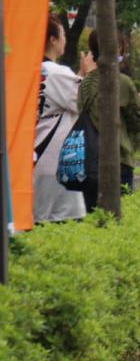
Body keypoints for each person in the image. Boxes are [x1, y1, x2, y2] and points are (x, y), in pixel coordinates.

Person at [78, 29, 140, 208]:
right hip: (119, 158)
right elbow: (139, 124)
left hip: (89, 161)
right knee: (119, 217)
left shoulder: (84, 84)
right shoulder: (122, 82)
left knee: (93, 216)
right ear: (114, 49)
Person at [34, 15, 89, 223]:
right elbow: (84, 102)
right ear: (52, 39)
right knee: (63, 221)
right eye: (63, 34)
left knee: (35, 222)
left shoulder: (28, 70)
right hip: (57, 163)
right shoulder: (57, 72)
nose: (65, 39)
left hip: (31, 159)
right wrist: (90, 76)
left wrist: (80, 76)